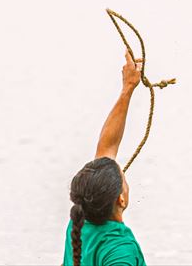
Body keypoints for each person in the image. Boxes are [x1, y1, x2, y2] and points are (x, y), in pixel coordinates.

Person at [63, 51, 147, 266]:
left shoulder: (79, 227)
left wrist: (128, 88)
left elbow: (107, 147)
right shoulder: (120, 250)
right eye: (124, 178)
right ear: (121, 199)